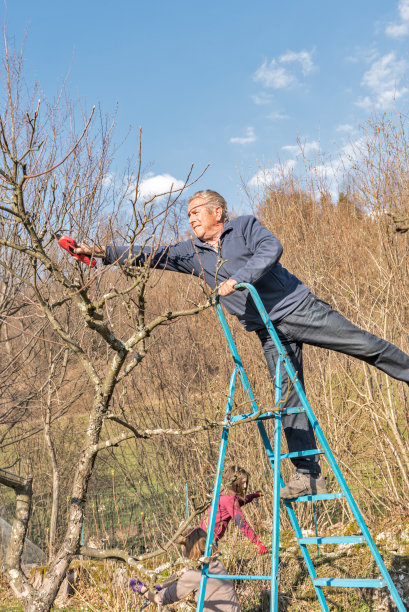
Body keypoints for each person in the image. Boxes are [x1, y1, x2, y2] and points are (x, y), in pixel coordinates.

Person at [74, 189, 409, 499]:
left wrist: (239, 278)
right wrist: (98, 252)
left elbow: (271, 249)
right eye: (188, 215)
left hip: (298, 308)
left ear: (217, 211)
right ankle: (308, 474)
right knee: (288, 400)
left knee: (364, 345)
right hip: (268, 330)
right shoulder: (191, 253)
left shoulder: (245, 227)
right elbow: (150, 255)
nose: (190, 220)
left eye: (195, 213)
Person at [131, 526, 241, 612]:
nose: (182, 552)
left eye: (183, 548)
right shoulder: (214, 562)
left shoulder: (194, 574)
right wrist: (160, 585)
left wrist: (141, 589)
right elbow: (184, 573)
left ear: (189, 549)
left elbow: (160, 599)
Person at [200, 465, 267, 553]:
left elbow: (237, 503)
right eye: (242, 483)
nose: (245, 486)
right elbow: (241, 523)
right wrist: (258, 542)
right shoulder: (229, 498)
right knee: (212, 565)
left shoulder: (225, 493)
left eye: (246, 482)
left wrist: (253, 496)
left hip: (203, 534)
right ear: (235, 482)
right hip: (208, 540)